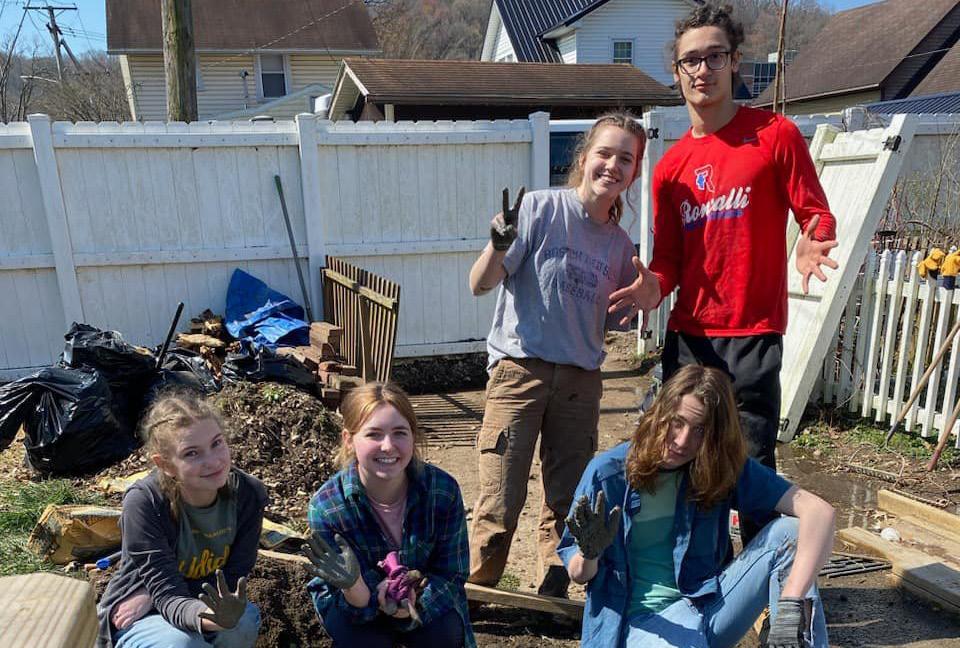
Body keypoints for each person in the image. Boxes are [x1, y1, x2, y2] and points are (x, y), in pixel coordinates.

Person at [617, 3, 839, 540]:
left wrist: (812, 241)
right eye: (690, 60)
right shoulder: (670, 169)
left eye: (714, 56)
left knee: (753, 468)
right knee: (681, 461)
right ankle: (696, 572)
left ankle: (766, 580)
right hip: (690, 340)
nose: (702, 70)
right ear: (677, 72)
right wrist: (653, 288)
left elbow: (816, 212)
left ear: (735, 61)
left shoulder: (775, 135)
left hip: (753, 334)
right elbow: (669, 261)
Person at [467, 111, 649, 598]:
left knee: (567, 501)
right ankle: (478, 593)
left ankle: (551, 596)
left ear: (634, 172)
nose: (613, 166)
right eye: (605, 153)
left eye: (626, 159)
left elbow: (614, 319)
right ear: (585, 157)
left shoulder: (620, 246)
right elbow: (480, 284)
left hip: (579, 385)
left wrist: (644, 300)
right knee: (500, 497)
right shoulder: (540, 209)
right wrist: (496, 247)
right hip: (518, 373)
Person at [558, 364, 835, 648]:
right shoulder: (607, 475)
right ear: (659, 413)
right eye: (677, 422)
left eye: (699, 430)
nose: (682, 441)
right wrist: (589, 553)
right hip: (640, 624)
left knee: (790, 533)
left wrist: (790, 604)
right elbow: (579, 574)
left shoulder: (715, 467)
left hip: (707, 606)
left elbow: (820, 513)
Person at [302, 382, 474, 648]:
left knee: (444, 634)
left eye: (399, 433)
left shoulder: (442, 491)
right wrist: (362, 593)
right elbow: (340, 593)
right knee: (366, 642)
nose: (388, 446)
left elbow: (452, 574)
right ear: (349, 440)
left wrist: (411, 605)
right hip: (353, 602)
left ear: (413, 436)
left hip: (419, 599)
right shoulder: (327, 507)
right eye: (373, 434)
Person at [96, 392, 269, 648]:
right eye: (191, 453)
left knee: (243, 623)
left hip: (188, 601)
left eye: (217, 443)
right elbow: (168, 595)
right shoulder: (145, 503)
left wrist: (154, 596)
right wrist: (159, 598)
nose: (213, 461)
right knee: (182, 643)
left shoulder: (248, 495)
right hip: (138, 615)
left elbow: (233, 578)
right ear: (165, 464)